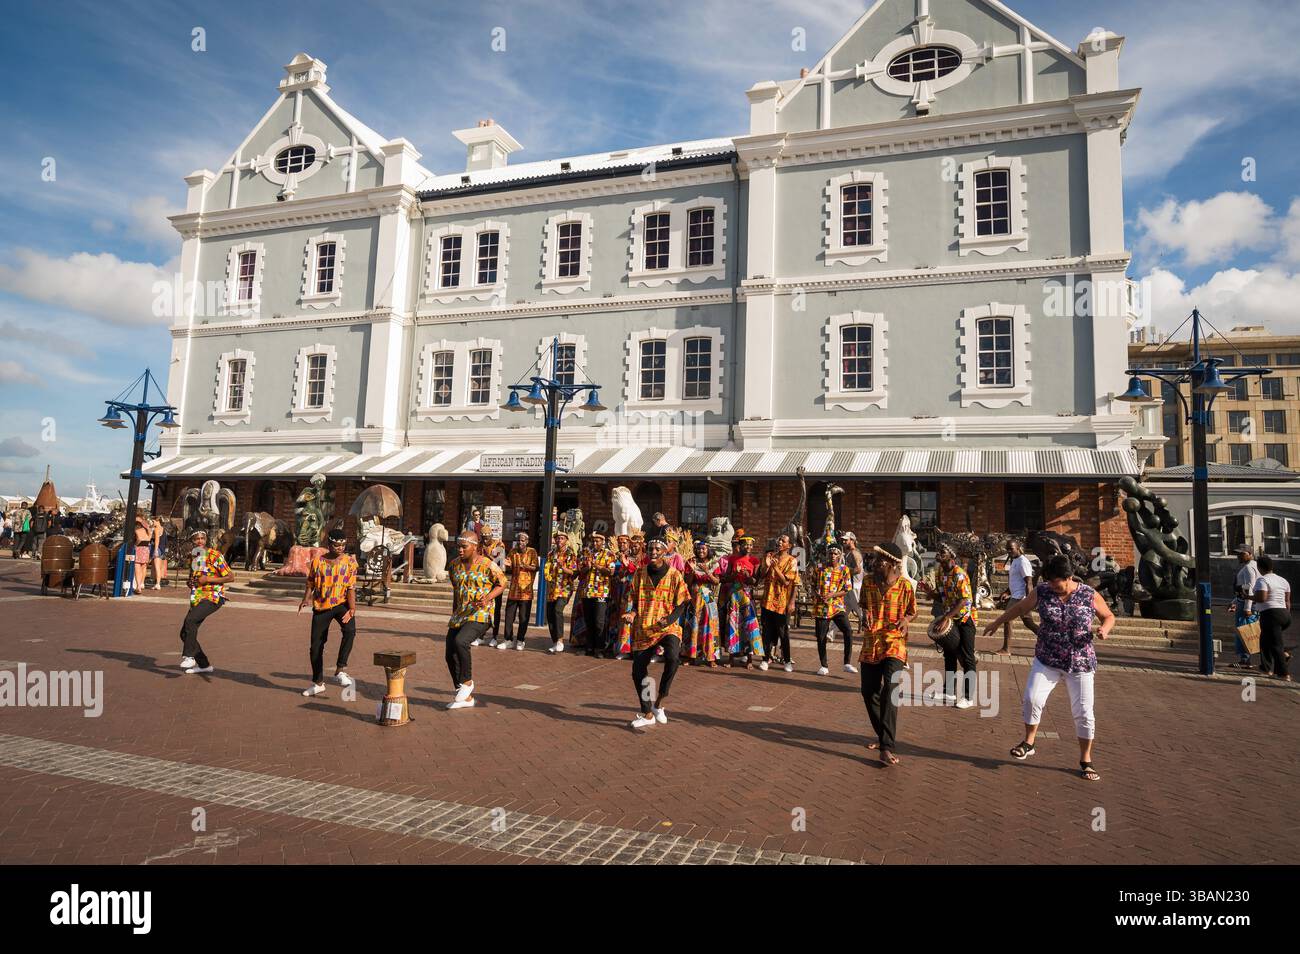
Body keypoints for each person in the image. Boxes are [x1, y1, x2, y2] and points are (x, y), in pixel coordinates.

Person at [982, 554, 1114, 781]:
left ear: (1069, 577)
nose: (1053, 586)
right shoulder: (1042, 591)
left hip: (1079, 662)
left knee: (1083, 713)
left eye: (1056, 582)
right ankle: (1029, 742)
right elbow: (1021, 607)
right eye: (1050, 581)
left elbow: (1108, 616)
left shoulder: (1088, 594)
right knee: (1032, 698)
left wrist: (1104, 630)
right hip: (1047, 658)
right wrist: (997, 622)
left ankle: (1086, 760)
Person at [622, 538, 691, 729]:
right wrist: (631, 613)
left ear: (663, 552)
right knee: (638, 671)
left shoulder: (674, 574)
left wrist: (669, 620)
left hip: (668, 626)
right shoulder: (639, 573)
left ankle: (659, 701)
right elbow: (634, 601)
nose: (653, 551)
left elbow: (682, 602)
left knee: (672, 657)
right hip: (644, 627)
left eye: (657, 548)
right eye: (650, 548)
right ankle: (647, 713)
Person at [859, 542, 917, 766]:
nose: (874, 564)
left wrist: (906, 620)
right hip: (872, 642)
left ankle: (886, 746)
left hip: (894, 643)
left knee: (890, 691)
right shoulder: (867, 582)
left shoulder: (904, 586)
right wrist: (863, 614)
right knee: (868, 692)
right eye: (874, 559)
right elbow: (864, 605)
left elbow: (912, 611)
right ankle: (882, 733)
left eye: (879, 561)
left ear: (892, 564)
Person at [444, 530, 506, 710]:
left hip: (481, 613)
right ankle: (465, 696)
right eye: (458, 547)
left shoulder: (487, 564)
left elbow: (502, 583)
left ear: (475, 547)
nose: (460, 551)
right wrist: (454, 613)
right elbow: (457, 591)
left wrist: (487, 598)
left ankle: (468, 682)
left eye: (464, 547)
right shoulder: (454, 565)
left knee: (461, 641)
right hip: (460, 613)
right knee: (449, 653)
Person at [298, 527, 358, 696]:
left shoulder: (350, 562)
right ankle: (318, 682)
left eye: (343, 545)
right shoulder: (318, 561)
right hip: (321, 606)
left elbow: (351, 587)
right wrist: (305, 599)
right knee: (315, 646)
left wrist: (352, 609)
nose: (340, 548)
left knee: (350, 630)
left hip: (341, 604)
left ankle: (340, 670)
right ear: (329, 544)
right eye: (337, 545)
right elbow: (310, 582)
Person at [178, 529, 232, 675]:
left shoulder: (215, 555)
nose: (200, 541)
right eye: (196, 539)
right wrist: (191, 582)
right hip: (197, 597)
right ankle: (204, 665)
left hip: (213, 597)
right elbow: (195, 577)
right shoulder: (194, 556)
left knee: (191, 620)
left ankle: (189, 656)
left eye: (202, 538)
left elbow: (230, 577)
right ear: (192, 542)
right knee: (184, 633)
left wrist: (208, 579)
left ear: (206, 540)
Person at [932, 544, 978, 709]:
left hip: (965, 619)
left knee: (967, 657)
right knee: (949, 655)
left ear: (951, 556)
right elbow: (941, 596)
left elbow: (963, 600)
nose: (939, 554)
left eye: (942, 552)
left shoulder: (959, 573)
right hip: (951, 619)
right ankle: (949, 691)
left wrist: (946, 617)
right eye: (939, 551)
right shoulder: (940, 572)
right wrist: (929, 592)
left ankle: (968, 697)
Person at [718, 532, 763, 666]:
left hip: (747, 595)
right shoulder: (732, 559)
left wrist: (747, 576)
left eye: (750, 545)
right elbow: (725, 579)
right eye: (745, 545)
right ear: (740, 545)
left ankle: (749, 659)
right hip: (734, 595)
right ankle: (731, 658)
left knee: (749, 625)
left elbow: (755, 581)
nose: (748, 547)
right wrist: (734, 574)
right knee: (733, 624)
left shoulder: (754, 561)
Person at [812, 543, 856, 676]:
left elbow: (847, 589)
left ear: (840, 555)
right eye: (830, 553)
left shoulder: (844, 569)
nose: (832, 556)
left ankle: (847, 663)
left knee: (848, 631)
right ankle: (824, 665)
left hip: (837, 606)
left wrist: (832, 595)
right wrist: (817, 594)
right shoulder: (819, 568)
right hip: (821, 607)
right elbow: (813, 585)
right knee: (821, 637)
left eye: (835, 553)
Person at [757, 534, 799, 671]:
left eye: (783, 540)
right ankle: (765, 658)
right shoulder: (771, 556)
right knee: (766, 630)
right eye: (779, 539)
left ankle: (787, 660)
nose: (779, 542)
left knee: (783, 632)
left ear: (789, 545)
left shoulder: (791, 561)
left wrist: (775, 568)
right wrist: (766, 564)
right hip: (767, 600)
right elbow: (762, 576)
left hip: (781, 601)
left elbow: (787, 582)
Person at [682, 539, 722, 666]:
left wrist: (706, 571)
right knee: (693, 625)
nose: (701, 551)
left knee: (710, 626)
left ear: (708, 550)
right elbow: (687, 583)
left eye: (703, 549)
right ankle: (690, 656)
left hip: (708, 599)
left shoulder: (714, 563)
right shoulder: (691, 562)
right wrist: (693, 571)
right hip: (694, 598)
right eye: (699, 549)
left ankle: (711, 657)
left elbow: (716, 581)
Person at [1252, 556, 1292, 681]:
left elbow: (1262, 598)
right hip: (1284, 614)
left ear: (1259, 567)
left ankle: (1283, 673)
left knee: (1276, 645)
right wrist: (1285, 614)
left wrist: (1248, 597)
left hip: (1271, 614)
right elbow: (1287, 601)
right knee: (1265, 640)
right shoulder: (1283, 580)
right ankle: (1265, 667)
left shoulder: (1262, 580)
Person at [579, 531, 616, 657]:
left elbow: (610, 572)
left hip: (602, 592)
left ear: (603, 541)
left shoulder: (609, 554)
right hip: (587, 592)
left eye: (597, 541)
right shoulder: (587, 553)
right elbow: (580, 571)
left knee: (599, 621)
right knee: (588, 621)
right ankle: (589, 647)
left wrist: (597, 566)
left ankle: (600, 648)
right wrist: (587, 568)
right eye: (593, 541)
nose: (595, 543)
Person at [998, 540, 1038, 655]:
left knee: (1007, 619)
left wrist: (1029, 600)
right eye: (1007, 549)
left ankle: (1006, 649)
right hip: (1015, 595)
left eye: (1011, 548)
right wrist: (1007, 592)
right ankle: (1048, 639)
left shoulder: (1023, 561)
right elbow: (1016, 581)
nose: (1009, 551)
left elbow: (1028, 582)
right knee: (1028, 622)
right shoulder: (1015, 561)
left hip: (1020, 597)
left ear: (1018, 548)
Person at [501, 532, 539, 651]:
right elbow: (508, 565)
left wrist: (525, 566)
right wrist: (506, 564)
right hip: (514, 590)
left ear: (527, 542)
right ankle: (508, 640)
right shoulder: (513, 551)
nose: (520, 543)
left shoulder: (532, 552)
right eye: (519, 540)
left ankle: (521, 640)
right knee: (509, 616)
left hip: (526, 591)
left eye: (523, 541)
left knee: (523, 617)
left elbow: (536, 567)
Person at [543, 531, 577, 654]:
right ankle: (555, 642)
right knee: (550, 614)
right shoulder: (551, 553)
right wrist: (547, 574)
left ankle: (561, 640)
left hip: (564, 588)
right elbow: (547, 567)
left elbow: (574, 572)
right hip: (552, 589)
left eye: (562, 538)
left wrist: (564, 569)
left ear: (566, 540)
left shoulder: (570, 554)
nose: (559, 541)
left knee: (558, 610)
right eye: (557, 538)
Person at [1232, 545, 1261, 667]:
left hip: (1247, 603)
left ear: (1249, 553)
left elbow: (1250, 588)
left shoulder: (1249, 568)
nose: (1238, 556)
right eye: (1238, 554)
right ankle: (1246, 659)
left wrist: (1247, 607)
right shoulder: (1252, 566)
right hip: (1245, 601)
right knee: (1249, 631)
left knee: (1245, 632)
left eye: (1241, 554)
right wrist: (1234, 601)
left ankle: (1246, 659)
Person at [482, 528, 508, 646]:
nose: (485, 540)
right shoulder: (479, 545)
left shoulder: (498, 544)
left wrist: (488, 556)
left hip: (497, 580)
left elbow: (500, 563)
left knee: (496, 608)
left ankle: (494, 636)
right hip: (484, 580)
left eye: (486, 537)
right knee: (483, 606)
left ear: (491, 535)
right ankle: (481, 635)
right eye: (483, 537)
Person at [132, 515, 151, 594]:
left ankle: (138, 586)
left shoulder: (137, 530)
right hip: (146, 549)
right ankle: (142, 583)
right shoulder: (146, 530)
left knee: (137, 568)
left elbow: (139, 539)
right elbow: (149, 538)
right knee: (144, 567)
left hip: (139, 549)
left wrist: (135, 544)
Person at [150, 516, 168, 589]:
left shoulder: (157, 529)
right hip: (162, 549)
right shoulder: (163, 529)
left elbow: (157, 540)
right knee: (159, 568)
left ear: (157, 521)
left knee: (157, 567)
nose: (152, 523)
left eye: (153, 521)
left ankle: (157, 584)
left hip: (158, 549)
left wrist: (155, 550)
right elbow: (166, 541)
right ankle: (157, 583)